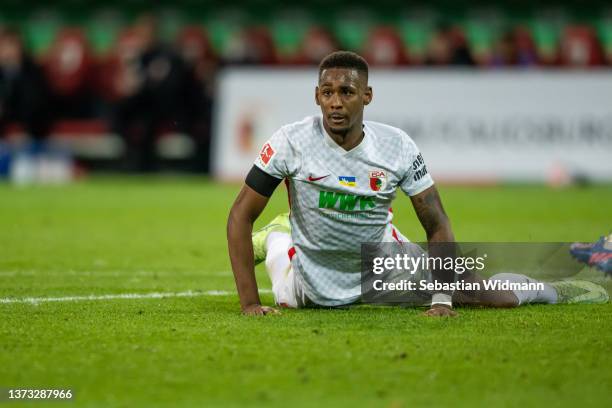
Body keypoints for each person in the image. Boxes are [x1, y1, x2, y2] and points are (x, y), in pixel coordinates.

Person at [226, 51, 608, 317]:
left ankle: (563, 287)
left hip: (384, 266)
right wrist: (248, 304)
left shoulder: (396, 146)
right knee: (285, 287)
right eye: (327, 93)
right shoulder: (290, 141)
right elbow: (240, 215)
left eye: (347, 92)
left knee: (494, 297)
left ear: (367, 96)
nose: (336, 103)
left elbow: (436, 222)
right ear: (317, 97)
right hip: (310, 277)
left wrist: (442, 297)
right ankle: (280, 234)